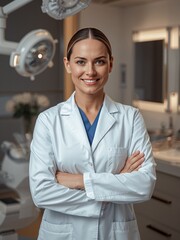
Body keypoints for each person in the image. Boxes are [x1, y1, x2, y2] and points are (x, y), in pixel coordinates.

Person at [29, 27, 156, 240]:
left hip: (114, 233)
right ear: (67, 65)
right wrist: (116, 181)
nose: (90, 71)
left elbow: (144, 186)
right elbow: (41, 192)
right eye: (80, 62)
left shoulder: (130, 118)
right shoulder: (49, 121)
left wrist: (79, 180)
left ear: (111, 64)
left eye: (99, 61)